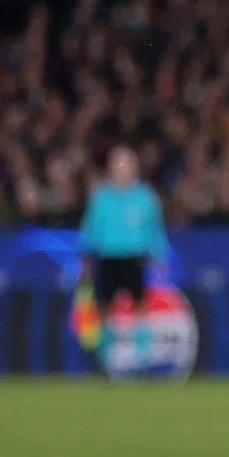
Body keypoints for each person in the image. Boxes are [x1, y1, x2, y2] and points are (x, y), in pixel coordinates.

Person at [80, 146, 167, 374]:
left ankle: (142, 360)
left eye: (127, 164)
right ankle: (105, 361)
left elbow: (155, 229)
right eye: (118, 164)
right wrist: (86, 257)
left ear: (135, 168)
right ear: (110, 168)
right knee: (104, 308)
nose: (123, 169)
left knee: (139, 306)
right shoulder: (100, 197)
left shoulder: (146, 197)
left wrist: (159, 254)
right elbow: (90, 228)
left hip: (134, 256)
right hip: (107, 256)